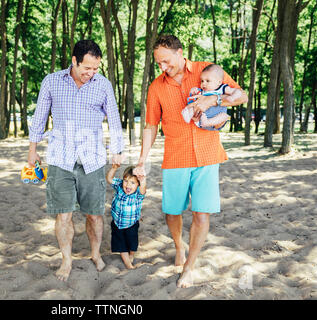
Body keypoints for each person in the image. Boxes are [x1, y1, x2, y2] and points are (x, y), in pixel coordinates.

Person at [134, 35, 248, 288]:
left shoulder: (206, 71)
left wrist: (214, 99)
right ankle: (179, 245)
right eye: (158, 63)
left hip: (207, 154)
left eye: (166, 61)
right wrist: (142, 159)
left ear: (180, 52)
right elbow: (151, 125)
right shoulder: (156, 87)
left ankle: (189, 267)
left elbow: (242, 96)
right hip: (176, 155)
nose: (163, 67)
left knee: (201, 213)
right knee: (172, 212)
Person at [28, 40, 124, 281]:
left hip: (92, 158)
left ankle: (95, 254)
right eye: (87, 68)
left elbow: (113, 118)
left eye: (96, 69)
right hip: (61, 158)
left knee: (94, 213)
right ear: (74, 61)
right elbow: (39, 116)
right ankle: (66, 259)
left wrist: (117, 150)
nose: (91, 74)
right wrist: (32, 149)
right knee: (64, 214)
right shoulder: (51, 81)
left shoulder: (102, 85)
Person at [106, 165, 146, 269]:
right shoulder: (119, 186)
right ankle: (128, 264)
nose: (128, 185)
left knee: (132, 243)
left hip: (131, 224)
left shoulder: (137, 193)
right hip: (117, 223)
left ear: (138, 184)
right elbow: (109, 179)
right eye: (126, 181)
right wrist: (114, 168)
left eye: (132, 182)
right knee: (121, 244)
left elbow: (143, 190)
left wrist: (143, 180)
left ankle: (131, 254)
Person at [181, 64, 243, 130]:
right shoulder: (203, 91)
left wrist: (232, 97)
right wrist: (193, 90)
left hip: (214, 119)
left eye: (207, 81)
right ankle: (188, 114)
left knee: (224, 116)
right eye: (202, 81)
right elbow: (194, 98)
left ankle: (207, 122)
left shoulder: (222, 89)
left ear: (219, 82)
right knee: (194, 104)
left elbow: (238, 92)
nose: (203, 83)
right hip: (202, 117)